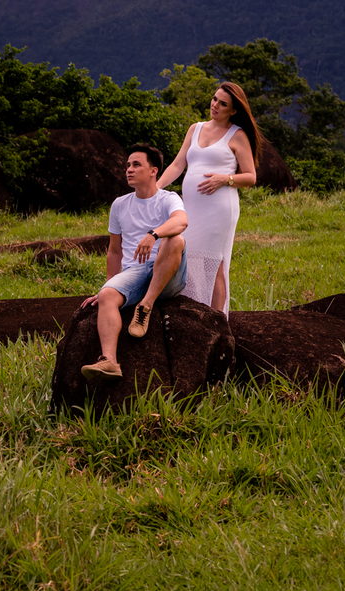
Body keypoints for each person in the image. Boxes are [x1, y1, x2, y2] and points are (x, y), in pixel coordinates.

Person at [80, 144, 189, 381]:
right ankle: (109, 361)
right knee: (108, 295)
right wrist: (109, 286)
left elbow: (181, 221)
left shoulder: (168, 198)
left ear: (154, 171)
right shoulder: (120, 204)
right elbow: (115, 252)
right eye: (128, 165)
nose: (129, 169)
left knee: (175, 239)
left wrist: (153, 234)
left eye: (136, 164)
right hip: (136, 273)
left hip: (168, 273)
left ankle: (145, 306)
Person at [156, 81, 263, 316]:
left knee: (214, 264)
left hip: (219, 210)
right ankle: (195, 313)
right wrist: (155, 188)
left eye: (223, 103)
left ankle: (218, 321)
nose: (215, 105)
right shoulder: (195, 128)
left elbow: (251, 177)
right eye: (215, 99)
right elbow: (177, 164)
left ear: (233, 110)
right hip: (191, 208)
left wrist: (225, 179)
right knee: (189, 257)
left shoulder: (238, 135)